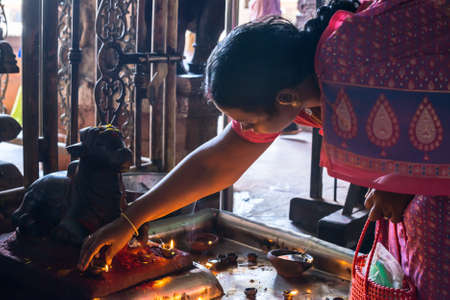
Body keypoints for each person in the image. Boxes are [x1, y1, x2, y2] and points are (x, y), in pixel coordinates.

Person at [79, 1, 449, 298]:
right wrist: (133, 218)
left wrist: (398, 181)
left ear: (284, 98)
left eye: (249, 122)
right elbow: (217, 162)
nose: (247, 130)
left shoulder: (356, 62)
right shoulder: (302, 87)